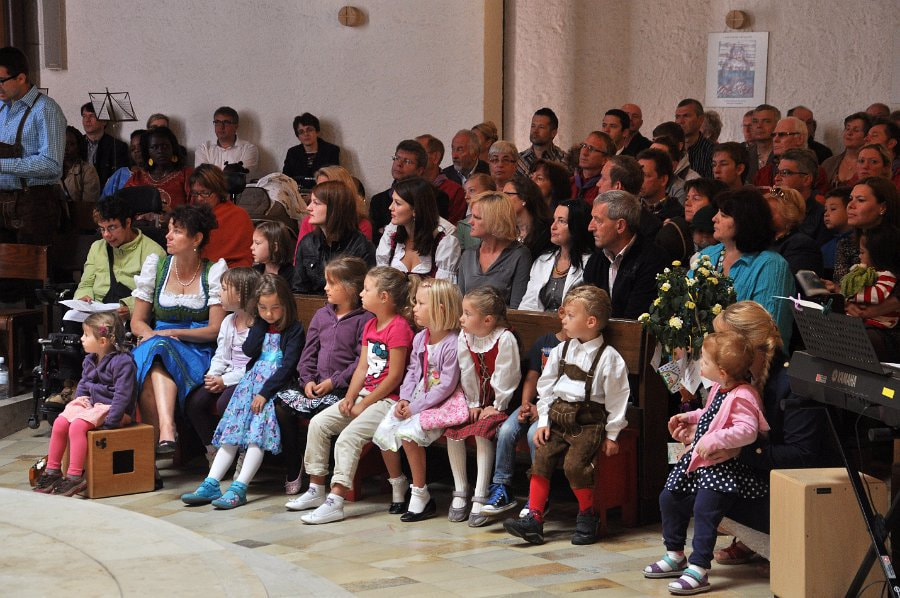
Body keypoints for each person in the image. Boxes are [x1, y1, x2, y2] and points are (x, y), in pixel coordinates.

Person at [503, 286, 629, 545]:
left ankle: (587, 515)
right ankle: (534, 518)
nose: (563, 319)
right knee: (542, 456)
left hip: (588, 422)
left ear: (590, 322)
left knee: (575, 466)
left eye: (571, 315)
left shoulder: (609, 358)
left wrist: (612, 435)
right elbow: (546, 387)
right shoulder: (562, 350)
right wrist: (544, 421)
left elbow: (618, 400)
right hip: (558, 418)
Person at [644, 331, 767, 595]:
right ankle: (675, 554)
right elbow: (712, 414)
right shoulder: (719, 389)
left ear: (722, 372)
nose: (700, 363)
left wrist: (715, 439)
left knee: (704, 512)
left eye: (705, 360)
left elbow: (748, 430)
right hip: (701, 463)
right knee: (670, 497)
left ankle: (699, 568)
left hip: (722, 470)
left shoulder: (744, 395)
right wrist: (691, 418)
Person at [291, 267, 414, 524]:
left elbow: (394, 377)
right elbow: (362, 367)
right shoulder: (371, 324)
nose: (361, 293)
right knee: (319, 424)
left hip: (387, 401)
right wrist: (350, 397)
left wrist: (364, 403)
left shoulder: (399, 328)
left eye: (366, 289)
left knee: (348, 438)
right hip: (364, 396)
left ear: (384, 297)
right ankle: (315, 488)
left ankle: (335, 501)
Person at [182, 274, 305, 509]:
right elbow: (249, 350)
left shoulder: (294, 330)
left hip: (272, 390)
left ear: (286, 305)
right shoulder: (260, 324)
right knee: (232, 432)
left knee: (256, 435)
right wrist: (258, 325)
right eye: (263, 308)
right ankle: (212, 482)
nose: (269, 314)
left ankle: (240, 487)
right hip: (249, 386)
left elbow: (287, 367)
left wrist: (265, 393)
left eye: (275, 308)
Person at [130, 204, 226, 456]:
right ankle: (166, 429)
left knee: (154, 358)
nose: (168, 236)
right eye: (169, 229)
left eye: (177, 231)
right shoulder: (157, 267)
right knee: (154, 356)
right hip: (156, 344)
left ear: (196, 238)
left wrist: (172, 334)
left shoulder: (213, 272)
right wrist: (153, 336)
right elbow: (137, 322)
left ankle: (153, 452)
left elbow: (215, 330)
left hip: (197, 349)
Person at [280, 257, 373, 498]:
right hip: (315, 386)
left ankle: (328, 474)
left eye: (332, 283)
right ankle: (295, 464)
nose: (325, 288)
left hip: (342, 389)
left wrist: (334, 382)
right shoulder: (322, 315)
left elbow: (360, 362)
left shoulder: (365, 320)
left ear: (351, 287)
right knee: (281, 407)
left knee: (323, 416)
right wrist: (307, 380)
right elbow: (309, 352)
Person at [372, 278, 463, 522]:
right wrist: (404, 399)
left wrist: (415, 407)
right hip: (416, 398)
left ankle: (420, 493)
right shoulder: (421, 338)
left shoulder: (453, 343)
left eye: (421, 303)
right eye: (416, 302)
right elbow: (413, 371)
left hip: (442, 402)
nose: (414, 308)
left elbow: (446, 385)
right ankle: (398, 484)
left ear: (440, 309)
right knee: (384, 431)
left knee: (410, 435)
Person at [32, 313, 136, 497]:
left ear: (102, 341)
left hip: (114, 410)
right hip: (94, 407)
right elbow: (83, 384)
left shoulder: (123, 363)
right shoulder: (90, 359)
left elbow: (122, 396)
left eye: (86, 335)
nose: (81, 338)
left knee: (77, 426)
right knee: (61, 422)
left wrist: (111, 422)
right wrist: (78, 405)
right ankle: (53, 471)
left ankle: (75, 476)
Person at [480, 307, 567, 519]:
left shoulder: (578, 349)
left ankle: (538, 497)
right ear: (561, 313)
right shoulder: (545, 342)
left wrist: (542, 409)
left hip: (557, 408)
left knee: (533, 435)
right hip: (535, 404)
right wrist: (526, 404)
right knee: (506, 430)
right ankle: (502, 487)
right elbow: (532, 377)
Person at [445, 286, 521, 526]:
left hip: (503, 403)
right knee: (455, 426)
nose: (461, 318)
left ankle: (481, 493)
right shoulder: (465, 336)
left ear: (487, 320)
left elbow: (508, 375)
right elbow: (467, 370)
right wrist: (473, 402)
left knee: (482, 430)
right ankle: (460, 488)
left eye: (467, 314)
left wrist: (497, 405)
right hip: (478, 400)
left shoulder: (505, 338)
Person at [697, 187, 796, 347]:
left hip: (747, 358)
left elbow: (767, 334)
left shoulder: (771, 265)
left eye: (724, 215)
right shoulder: (707, 255)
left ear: (745, 222)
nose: (714, 218)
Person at [183, 267, 261, 467]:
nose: (219, 293)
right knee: (194, 402)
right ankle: (213, 449)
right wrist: (213, 375)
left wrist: (225, 381)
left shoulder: (258, 325)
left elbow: (256, 365)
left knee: (225, 402)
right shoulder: (228, 321)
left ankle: (242, 450)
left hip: (248, 378)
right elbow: (221, 354)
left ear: (241, 294)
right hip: (225, 375)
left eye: (225, 289)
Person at [0, 46, 66, 248]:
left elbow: (52, 165)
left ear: (21, 78)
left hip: (34, 207)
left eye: (1, 81)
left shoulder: (46, 109)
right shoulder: (1, 108)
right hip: (2, 203)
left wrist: (2, 165)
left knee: (29, 267)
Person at [75, 193, 165, 323]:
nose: (106, 235)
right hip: (96, 314)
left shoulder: (153, 251)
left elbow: (157, 294)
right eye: (102, 229)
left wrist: (131, 308)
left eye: (112, 227)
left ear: (127, 223)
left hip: (131, 316)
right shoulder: (97, 247)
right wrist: (83, 298)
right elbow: (86, 284)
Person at [584, 190, 667, 319]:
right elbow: (586, 308)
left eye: (598, 220)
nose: (590, 227)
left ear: (620, 226)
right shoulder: (596, 260)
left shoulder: (653, 260)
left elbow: (635, 319)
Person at [292, 180, 375, 294]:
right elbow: (299, 289)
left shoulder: (361, 246)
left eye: (316, 203)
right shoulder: (307, 243)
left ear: (334, 208)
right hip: (312, 304)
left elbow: (365, 293)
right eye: (310, 202)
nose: (309, 208)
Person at [376, 176, 461, 282]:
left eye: (397, 203)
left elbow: (444, 290)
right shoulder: (391, 234)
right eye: (392, 201)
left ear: (415, 209)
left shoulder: (444, 241)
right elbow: (380, 282)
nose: (390, 207)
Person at [458, 191, 533, 308]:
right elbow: (460, 303)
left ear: (495, 221)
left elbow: (517, 309)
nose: (470, 222)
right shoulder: (468, 255)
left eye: (477, 217)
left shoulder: (519, 255)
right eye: (471, 216)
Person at [519, 199, 593, 312]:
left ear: (576, 225)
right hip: (539, 321)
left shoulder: (590, 263)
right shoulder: (543, 260)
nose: (553, 226)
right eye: (554, 220)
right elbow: (528, 304)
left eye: (561, 221)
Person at [833, 177, 900, 282]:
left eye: (860, 200)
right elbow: (842, 284)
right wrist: (834, 288)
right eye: (851, 199)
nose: (850, 205)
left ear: (882, 207)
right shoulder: (846, 243)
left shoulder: (895, 243)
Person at [190, 163, 253, 268]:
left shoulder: (238, 215)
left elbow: (246, 257)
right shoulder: (190, 215)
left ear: (218, 191)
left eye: (205, 193)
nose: (199, 198)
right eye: (195, 193)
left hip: (232, 273)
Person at [125, 126, 193, 218]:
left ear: (173, 148)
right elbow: (123, 209)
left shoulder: (186, 175)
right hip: (141, 226)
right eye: (154, 147)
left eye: (165, 146)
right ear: (147, 151)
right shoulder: (137, 179)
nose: (160, 151)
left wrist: (173, 215)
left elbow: (195, 210)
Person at [841, 225, 899, 331]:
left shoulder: (887, 275)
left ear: (877, 255)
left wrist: (851, 293)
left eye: (862, 252)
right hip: (866, 319)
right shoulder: (868, 274)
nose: (859, 256)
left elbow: (877, 295)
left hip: (879, 322)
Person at [296, 165, 372, 242]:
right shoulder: (308, 222)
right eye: (318, 187)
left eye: (325, 188)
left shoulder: (362, 225)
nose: (319, 192)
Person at [766, 187, 823, 277]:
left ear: (789, 213)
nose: (764, 215)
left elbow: (788, 280)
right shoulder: (765, 241)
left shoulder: (801, 244)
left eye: (770, 211)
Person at [196, 106, 259, 178]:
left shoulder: (248, 149)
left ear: (236, 126)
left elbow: (241, 177)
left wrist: (213, 177)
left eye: (226, 123)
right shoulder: (204, 149)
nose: (221, 127)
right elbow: (202, 177)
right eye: (217, 122)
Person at [80, 101, 128, 187]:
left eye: (92, 116)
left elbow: (119, 178)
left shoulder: (118, 146)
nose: (87, 120)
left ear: (104, 121)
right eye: (84, 116)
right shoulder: (76, 143)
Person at [502, 175, 551, 259]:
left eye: (508, 194)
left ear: (524, 198)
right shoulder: (505, 230)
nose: (502, 200)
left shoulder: (546, 233)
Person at [282, 112, 341, 182]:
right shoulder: (292, 153)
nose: (306, 134)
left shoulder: (331, 151)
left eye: (309, 130)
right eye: (301, 132)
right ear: (298, 136)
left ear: (317, 131)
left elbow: (334, 178)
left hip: (324, 188)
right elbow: (285, 179)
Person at [822, 112, 871, 188]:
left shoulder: (870, 165)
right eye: (847, 129)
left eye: (856, 130)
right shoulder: (829, 163)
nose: (849, 133)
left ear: (866, 136)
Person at [518, 107, 569, 176]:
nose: (535, 131)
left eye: (541, 127)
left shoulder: (563, 160)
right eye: (533, 126)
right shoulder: (519, 160)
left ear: (553, 133)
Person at [455, 173, 495, 253]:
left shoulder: (502, 220)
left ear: (488, 192)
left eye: (471, 190)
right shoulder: (463, 225)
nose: (466, 196)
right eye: (465, 192)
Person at [821, 186, 853, 279]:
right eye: (825, 209)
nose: (826, 214)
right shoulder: (826, 247)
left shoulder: (858, 242)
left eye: (833, 209)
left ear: (850, 209)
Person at [62, 126, 100, 203]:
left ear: (79, 147)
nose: (66, 148)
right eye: (62, 143)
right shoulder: (50, 168)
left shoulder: (88, 171)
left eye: (71, 144)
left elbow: (88, 205)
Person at [102, 129, 145, 197]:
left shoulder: (156, 175)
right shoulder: (120, 174)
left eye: (140, 146)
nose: (136, 151)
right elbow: (104, 200)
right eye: (132, 148)